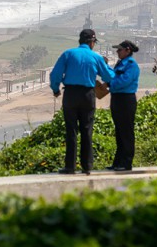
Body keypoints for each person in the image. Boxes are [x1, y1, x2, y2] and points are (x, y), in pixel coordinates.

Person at [50, 29, 115, 175]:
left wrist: (56, 89)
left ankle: (70, 166)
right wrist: (106, 65)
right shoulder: (95, 57)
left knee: (71, 131)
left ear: (80, 40)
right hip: (88, 95)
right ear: (92, 42)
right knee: (87, 130)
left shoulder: (68, 54)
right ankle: (87, 166)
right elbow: (109, 76)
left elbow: (55, 74)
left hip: (71, 94)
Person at [105, 40, 140, 171]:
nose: (117, 52)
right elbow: (113, 76)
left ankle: (126, 163)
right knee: (119, 132)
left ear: (127, 50)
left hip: (126, 99)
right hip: (117, 99)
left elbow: (122, 81)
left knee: (126, 132)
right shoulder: (120, 63)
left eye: (120, 50)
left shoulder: (131, 65)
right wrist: (106, 66)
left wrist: (109, 83)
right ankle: (118, 162)